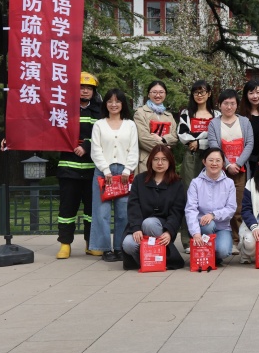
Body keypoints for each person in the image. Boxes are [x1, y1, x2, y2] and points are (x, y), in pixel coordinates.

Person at [55, 71, 102, 259]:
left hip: (92, 169)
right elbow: (54, 131)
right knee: (67, 209)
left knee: (92, 210)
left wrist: (86, 147)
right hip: (69, 168)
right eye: (81, 87)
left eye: (89, 88)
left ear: (94, 91)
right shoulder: (63, 109)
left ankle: (91, 243)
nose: (85, 91)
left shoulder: (100, 111)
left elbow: (103, 133)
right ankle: (65, 244)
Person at [89, 88, 139, 261]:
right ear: (105, 104)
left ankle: (120, 247)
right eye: (110, 101)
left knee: (123, 212)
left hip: (124, 173)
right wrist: (106, 169)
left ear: (123, 104)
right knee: (101, 212)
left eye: (117, 101)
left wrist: (127, 169)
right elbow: (96, 149)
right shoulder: (99, 124)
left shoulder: (130, 124)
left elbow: (133, 149)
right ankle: (104, 249)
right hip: (104, 173)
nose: (113, 104)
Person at [120, 143, 187, 270]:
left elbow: (177, 211)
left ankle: (168, 259)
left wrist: (169, 231)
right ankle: (147, 261)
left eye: (164, 159)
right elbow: (133, 206)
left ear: (170, 162)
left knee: (149, 223)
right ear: (150, 161)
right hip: (140, 227)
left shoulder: (176, 183)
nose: (159, 163)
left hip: (161, 228)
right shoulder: (140, 180)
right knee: (128, 244)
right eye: (156, 159)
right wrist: (136, 228)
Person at [206, 89, 254, 240]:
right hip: (220, 171)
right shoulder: (214, 123)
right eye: (225, 103)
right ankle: (222, 237)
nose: (229, 107)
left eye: (232, 103)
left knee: (239, 206)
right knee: (220, 204)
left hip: (241, 170)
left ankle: (238, 238)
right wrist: (227, 165)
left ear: (237, 105)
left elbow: (250, 143)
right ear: (219, 105)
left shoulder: (244, 122)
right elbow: (214, 146)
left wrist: (238, 164)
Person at [176, 79, 215, 250]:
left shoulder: (216, 114)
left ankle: (209, 237)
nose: (199, 95)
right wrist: (202, 138)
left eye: (202, 91)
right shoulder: (187, 113)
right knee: (189, 197)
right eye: (196, 92)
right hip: (191, 157)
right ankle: (188, 239)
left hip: (211, 158)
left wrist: (200, 142)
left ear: (209, 94)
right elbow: (183, 135)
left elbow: (215, 136)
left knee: (210, 196)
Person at [184, 147, 237, 265]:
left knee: (223, 251)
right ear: (204, 162)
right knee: (209, 225)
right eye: (211, 160)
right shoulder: (195, 183)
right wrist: (195, 233)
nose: (214, 163)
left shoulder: (229, 183)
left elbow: (231, 208)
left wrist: (213, 215)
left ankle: (209, 253)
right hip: (202, 227)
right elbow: (191, 209)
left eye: (218, 160)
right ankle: (202, 248)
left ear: (223, 163)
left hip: (222, 227)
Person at [133, 80, 178, 174]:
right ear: (148, 94)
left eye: (161, 92)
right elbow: (143, 139)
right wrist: (165, 147)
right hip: (147, 160)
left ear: (165, 94)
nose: (158, 95)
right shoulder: (140, 113)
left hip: (166, 162)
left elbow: (174, 137)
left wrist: (162, 139)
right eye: (154, 92)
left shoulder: (169, 116)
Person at [242, 79, 259, 176]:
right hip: (246, 160)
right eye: (251, 93)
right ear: (246, 95)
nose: (255, 96)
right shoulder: (241, 115)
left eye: (258, 92)